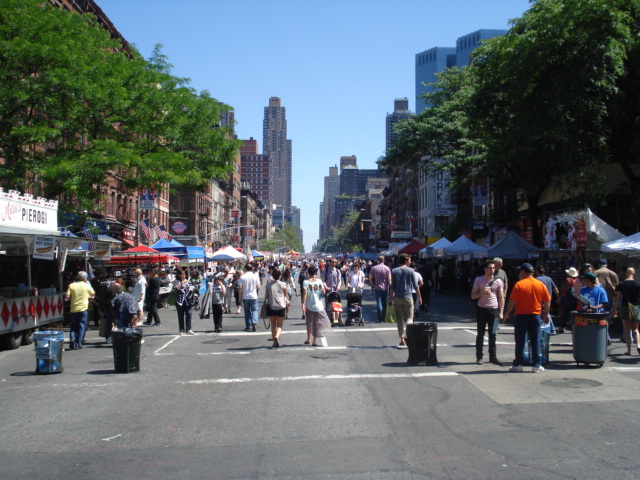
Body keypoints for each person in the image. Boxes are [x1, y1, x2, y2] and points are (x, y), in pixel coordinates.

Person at [503, 263, 551, 373]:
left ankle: (518, 364)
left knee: (520, 340)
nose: (519, 274)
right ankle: (536, 364)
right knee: (535, 340)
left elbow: (512, 301)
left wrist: (507, 313)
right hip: (535, 315)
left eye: (520, 272)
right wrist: (546, 313)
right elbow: (547, 301)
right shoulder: (540, 284)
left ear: (523, 272)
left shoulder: (519, 285)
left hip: (521, 315)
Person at [470, 259, 504, 366]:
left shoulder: (498, 281)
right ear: (485, 269)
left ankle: (493, 356)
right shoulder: (479, 280)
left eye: (493, 268)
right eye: (490, 268)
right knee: (480, 334)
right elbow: (472, 296)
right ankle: (479, 356)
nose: (492, 270)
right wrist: (481, 293)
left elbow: (501, 297)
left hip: (494, 310)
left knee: (493, 334)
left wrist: (501, 312)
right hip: (482, 309)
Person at [388, 254, 421, 346]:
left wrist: (390, 299)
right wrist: (419, 297)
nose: (410, 262)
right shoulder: (411, 270)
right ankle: (408, 335)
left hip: (398, 298)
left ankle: (402, 338)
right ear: (406, 260)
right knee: (410, 317)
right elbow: (416, 285)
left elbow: (392, 287)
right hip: (408, 297)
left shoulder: (394, 271)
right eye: (409, 260)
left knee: (400, 319)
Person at [301, 265, 332, 346]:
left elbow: (304, 293)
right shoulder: (319, 281)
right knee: (316, 323)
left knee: (309, 322)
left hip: (309, 304)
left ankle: (308, 339)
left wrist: (303, 304)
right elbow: (323, 292)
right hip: (318, 304)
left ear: (308, 273)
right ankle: (314, 340)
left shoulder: (306, 282)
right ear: (315, 272)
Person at [65, 271, 95, 350]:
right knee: (82, 326)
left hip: (74, 308)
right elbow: (93, 295)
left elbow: (67, 296)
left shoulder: (71, 285)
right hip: (83, 308)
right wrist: (87, 297)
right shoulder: (86, 285)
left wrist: (72, 298)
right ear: (85, 278)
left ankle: (72, 339)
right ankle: (78, 343)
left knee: (73, 325)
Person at [613, 268, 640, 355]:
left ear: (625, 273)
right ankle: (638, 345)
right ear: (634, 273)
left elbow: (617, 298)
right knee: (636, 329)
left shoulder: (621, 284)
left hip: (625, 307)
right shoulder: (638, 284)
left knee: (627, 330)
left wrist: (615, 310)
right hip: (636, 307)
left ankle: (629, 350)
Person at [264, 269, 289, 348]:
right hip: (281, 306)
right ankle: (276, 337)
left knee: (273, 324)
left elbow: (266, 297)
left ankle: (274, 340)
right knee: (279, 325)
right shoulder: (283, 284)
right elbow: (286, 296)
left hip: (271, 305)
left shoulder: (268, 285)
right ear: (280, 276)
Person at [238, 264, 261, 332]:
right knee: (254, 310)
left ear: (245, 269)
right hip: (254, 295)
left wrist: (239, 296)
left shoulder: (242, 277)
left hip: (245, 296)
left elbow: (240, 287)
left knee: (247, 311)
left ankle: (249, 326)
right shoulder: (255, 276)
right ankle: (254, 321)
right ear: (252, 269)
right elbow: (258, 286)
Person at [369, 256, 392, 323]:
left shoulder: (373, 268)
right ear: (384, 260)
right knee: (385, 302)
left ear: (378, 260)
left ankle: (380, 317)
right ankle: (384, 316)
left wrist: (373, 285)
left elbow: (370, 279)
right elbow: (389, 279)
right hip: (385, 287)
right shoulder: (387, 268)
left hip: (377, 287)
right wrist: (391, 288)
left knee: (379, 302)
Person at [558, 267, 579, 333]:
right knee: (576, 314)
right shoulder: (577, 280)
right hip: (576, 298)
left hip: (569, 299)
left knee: (565, 313)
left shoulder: (568, 279)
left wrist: (561, 297)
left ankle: (562, 327)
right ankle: (575, 327)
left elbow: (566, 290)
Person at [173, 270, 195, 335]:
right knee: (180, 315)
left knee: (189, 314)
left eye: (184, 274)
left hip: (188, 300)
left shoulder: (188, 281)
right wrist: (181, 283)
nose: (183, 275)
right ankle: (181, 329)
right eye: (182, 274)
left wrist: (193, 289)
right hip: (179, 301)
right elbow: (174, 289)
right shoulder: (177, 281)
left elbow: (192, 288)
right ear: (179, 275)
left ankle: (189, 329)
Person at [322, 258, 342, 323]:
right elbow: (323, 280)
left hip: (336, 290)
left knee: (336, 304)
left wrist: (338, 286)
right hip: (328, 290)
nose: (334, 263)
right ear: (329, 263)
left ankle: (337, 318)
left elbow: (339, 280)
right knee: (328, 305)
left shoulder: (337, 271)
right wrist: (326, 287)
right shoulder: (326, 270)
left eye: (335, 262)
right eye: (332, 262)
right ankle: (328, 318)